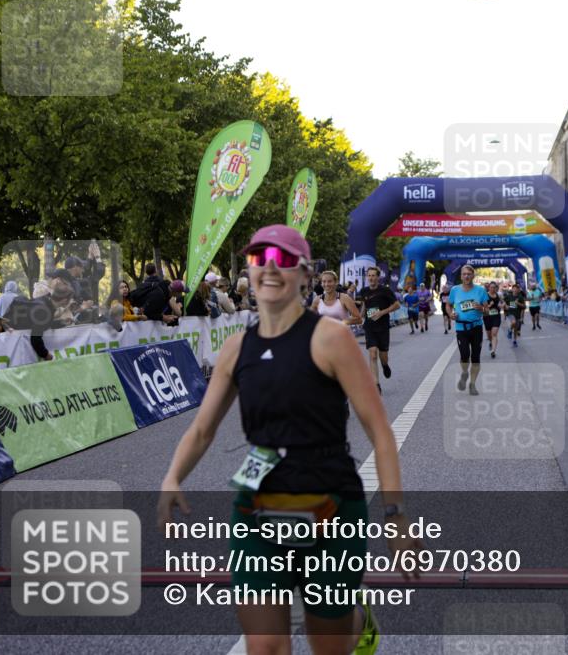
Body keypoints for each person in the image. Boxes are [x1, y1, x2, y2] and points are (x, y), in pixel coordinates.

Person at [158, 224, 418, 655]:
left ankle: (355, 616)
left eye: (283, 260)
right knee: (265, 647)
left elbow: (380, 431)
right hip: (257, 505)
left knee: (327, 644)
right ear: (249, 269)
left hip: (330, 505)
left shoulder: (330, 339)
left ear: (303, 275)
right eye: (260, 260)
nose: (270, 269)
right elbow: (202, 429)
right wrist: (172, 478)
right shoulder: (236, 348)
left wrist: (395, 514)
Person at [446, 264, 489, 394]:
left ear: (473, 276)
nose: (466, 276)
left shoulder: (480, 291)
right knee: (464, 356)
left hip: (476, 327)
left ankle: (472, 384)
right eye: (464, 274)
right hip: (461, 328)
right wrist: (450, 314)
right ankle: (465, 373)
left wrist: (481, 309)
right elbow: (448, 305)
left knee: (476, 357)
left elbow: (487, 311)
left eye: (469, 274)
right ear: (461, 276)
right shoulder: (455, 290)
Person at [357, 267, 400, 394]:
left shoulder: (385, 290)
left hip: (383, 327)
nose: (371, 278)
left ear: (378, 277)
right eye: (369, 276)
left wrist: (382, 312)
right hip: (370, 327)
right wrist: (360, 317)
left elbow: (397, 305)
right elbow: (365, 305)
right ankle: (376, 383)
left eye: (373, 275)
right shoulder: (364, 291)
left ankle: (385, 365)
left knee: (383, 356)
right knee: (372, 353)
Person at [483, 281, 504, 359]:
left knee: (494, 334)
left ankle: (493, 351)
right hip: (487, 317)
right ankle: (490, 342)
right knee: (489, 335)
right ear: (489, 288)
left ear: (496, 288)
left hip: (496, 317)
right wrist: (489, 305)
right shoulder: (485, 296)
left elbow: (503, 303)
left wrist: (502, 305)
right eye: (491, 287)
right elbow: (482, 308)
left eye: (494, 287)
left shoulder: (499, 295)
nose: (493, 289)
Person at [503, 282, 527, 348]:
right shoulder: (509, 296)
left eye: (517, 289)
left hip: (517, 314)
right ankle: (510, 330)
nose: (515, 290)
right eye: (514, 288)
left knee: (516, 329)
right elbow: (503, 302)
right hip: (510, 313)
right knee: (513, 322)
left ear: (518, 290)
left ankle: (514, 341)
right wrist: (506, 306)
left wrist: (518, 303)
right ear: (512, 289)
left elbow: (524, 306)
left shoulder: (520, 297)